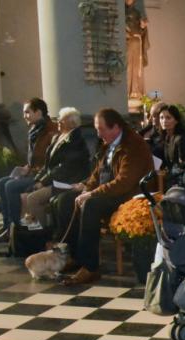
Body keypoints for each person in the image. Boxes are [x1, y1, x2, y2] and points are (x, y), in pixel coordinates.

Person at [53, 108, 154, 285]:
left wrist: (92, 193)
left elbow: (124, 182)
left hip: (130, 196)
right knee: (66, 200)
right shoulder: (110, 143)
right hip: (109, 193)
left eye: (101, 129)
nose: (98, 134)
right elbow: (98, 173)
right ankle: (75, 256)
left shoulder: (134, 145)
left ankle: (90, 267)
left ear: (115, 127)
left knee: (90, 205)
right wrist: (86, 188)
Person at [0, 98, 56, 242]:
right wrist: (27, 167)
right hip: (33, 171)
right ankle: (7, 225)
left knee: (11, 186)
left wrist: (34, 170)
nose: (24, 116)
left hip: (43, 176)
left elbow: (51, 161)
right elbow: (34, 157)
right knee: (1, 182)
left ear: (38, 112)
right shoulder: (35, 129)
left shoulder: (51, 131)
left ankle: (16, 228)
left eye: (27, 112)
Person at [19, 107, 90, 230]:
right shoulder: (58, 137)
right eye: (58, 120)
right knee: (23, 197)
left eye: (61, 121)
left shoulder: (76, 142)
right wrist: (38, 180)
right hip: (53, 179)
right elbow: (48, 165)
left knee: (33, 199)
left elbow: (64, 168)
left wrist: (44, 182)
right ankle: (26, 236)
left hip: (65, 183)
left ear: (72, 124)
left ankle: (40, 234)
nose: (58, 123)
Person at [156, 104, 185, 176]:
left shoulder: (182, 138)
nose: (164, 121)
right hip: (170, 176)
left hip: (183, 179)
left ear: (176, 121)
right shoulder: (167, 137)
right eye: (161, 118)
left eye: (168, 118)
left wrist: (166, 173)